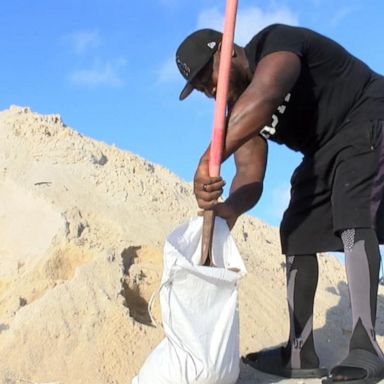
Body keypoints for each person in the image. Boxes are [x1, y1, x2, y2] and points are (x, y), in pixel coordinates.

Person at [175, 24, 384, 384]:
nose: (209, 91)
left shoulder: (275, 43)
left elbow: (268, 93)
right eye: (201, 89)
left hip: (367, 112)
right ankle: (300, 352)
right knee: (296, 229)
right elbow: (249, 177)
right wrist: (230, 209)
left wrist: (208, 157)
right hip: (322, 149)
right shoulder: (240, 112)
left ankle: (365, 346)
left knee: (352, 213)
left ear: (226, 51)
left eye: (206, 78)